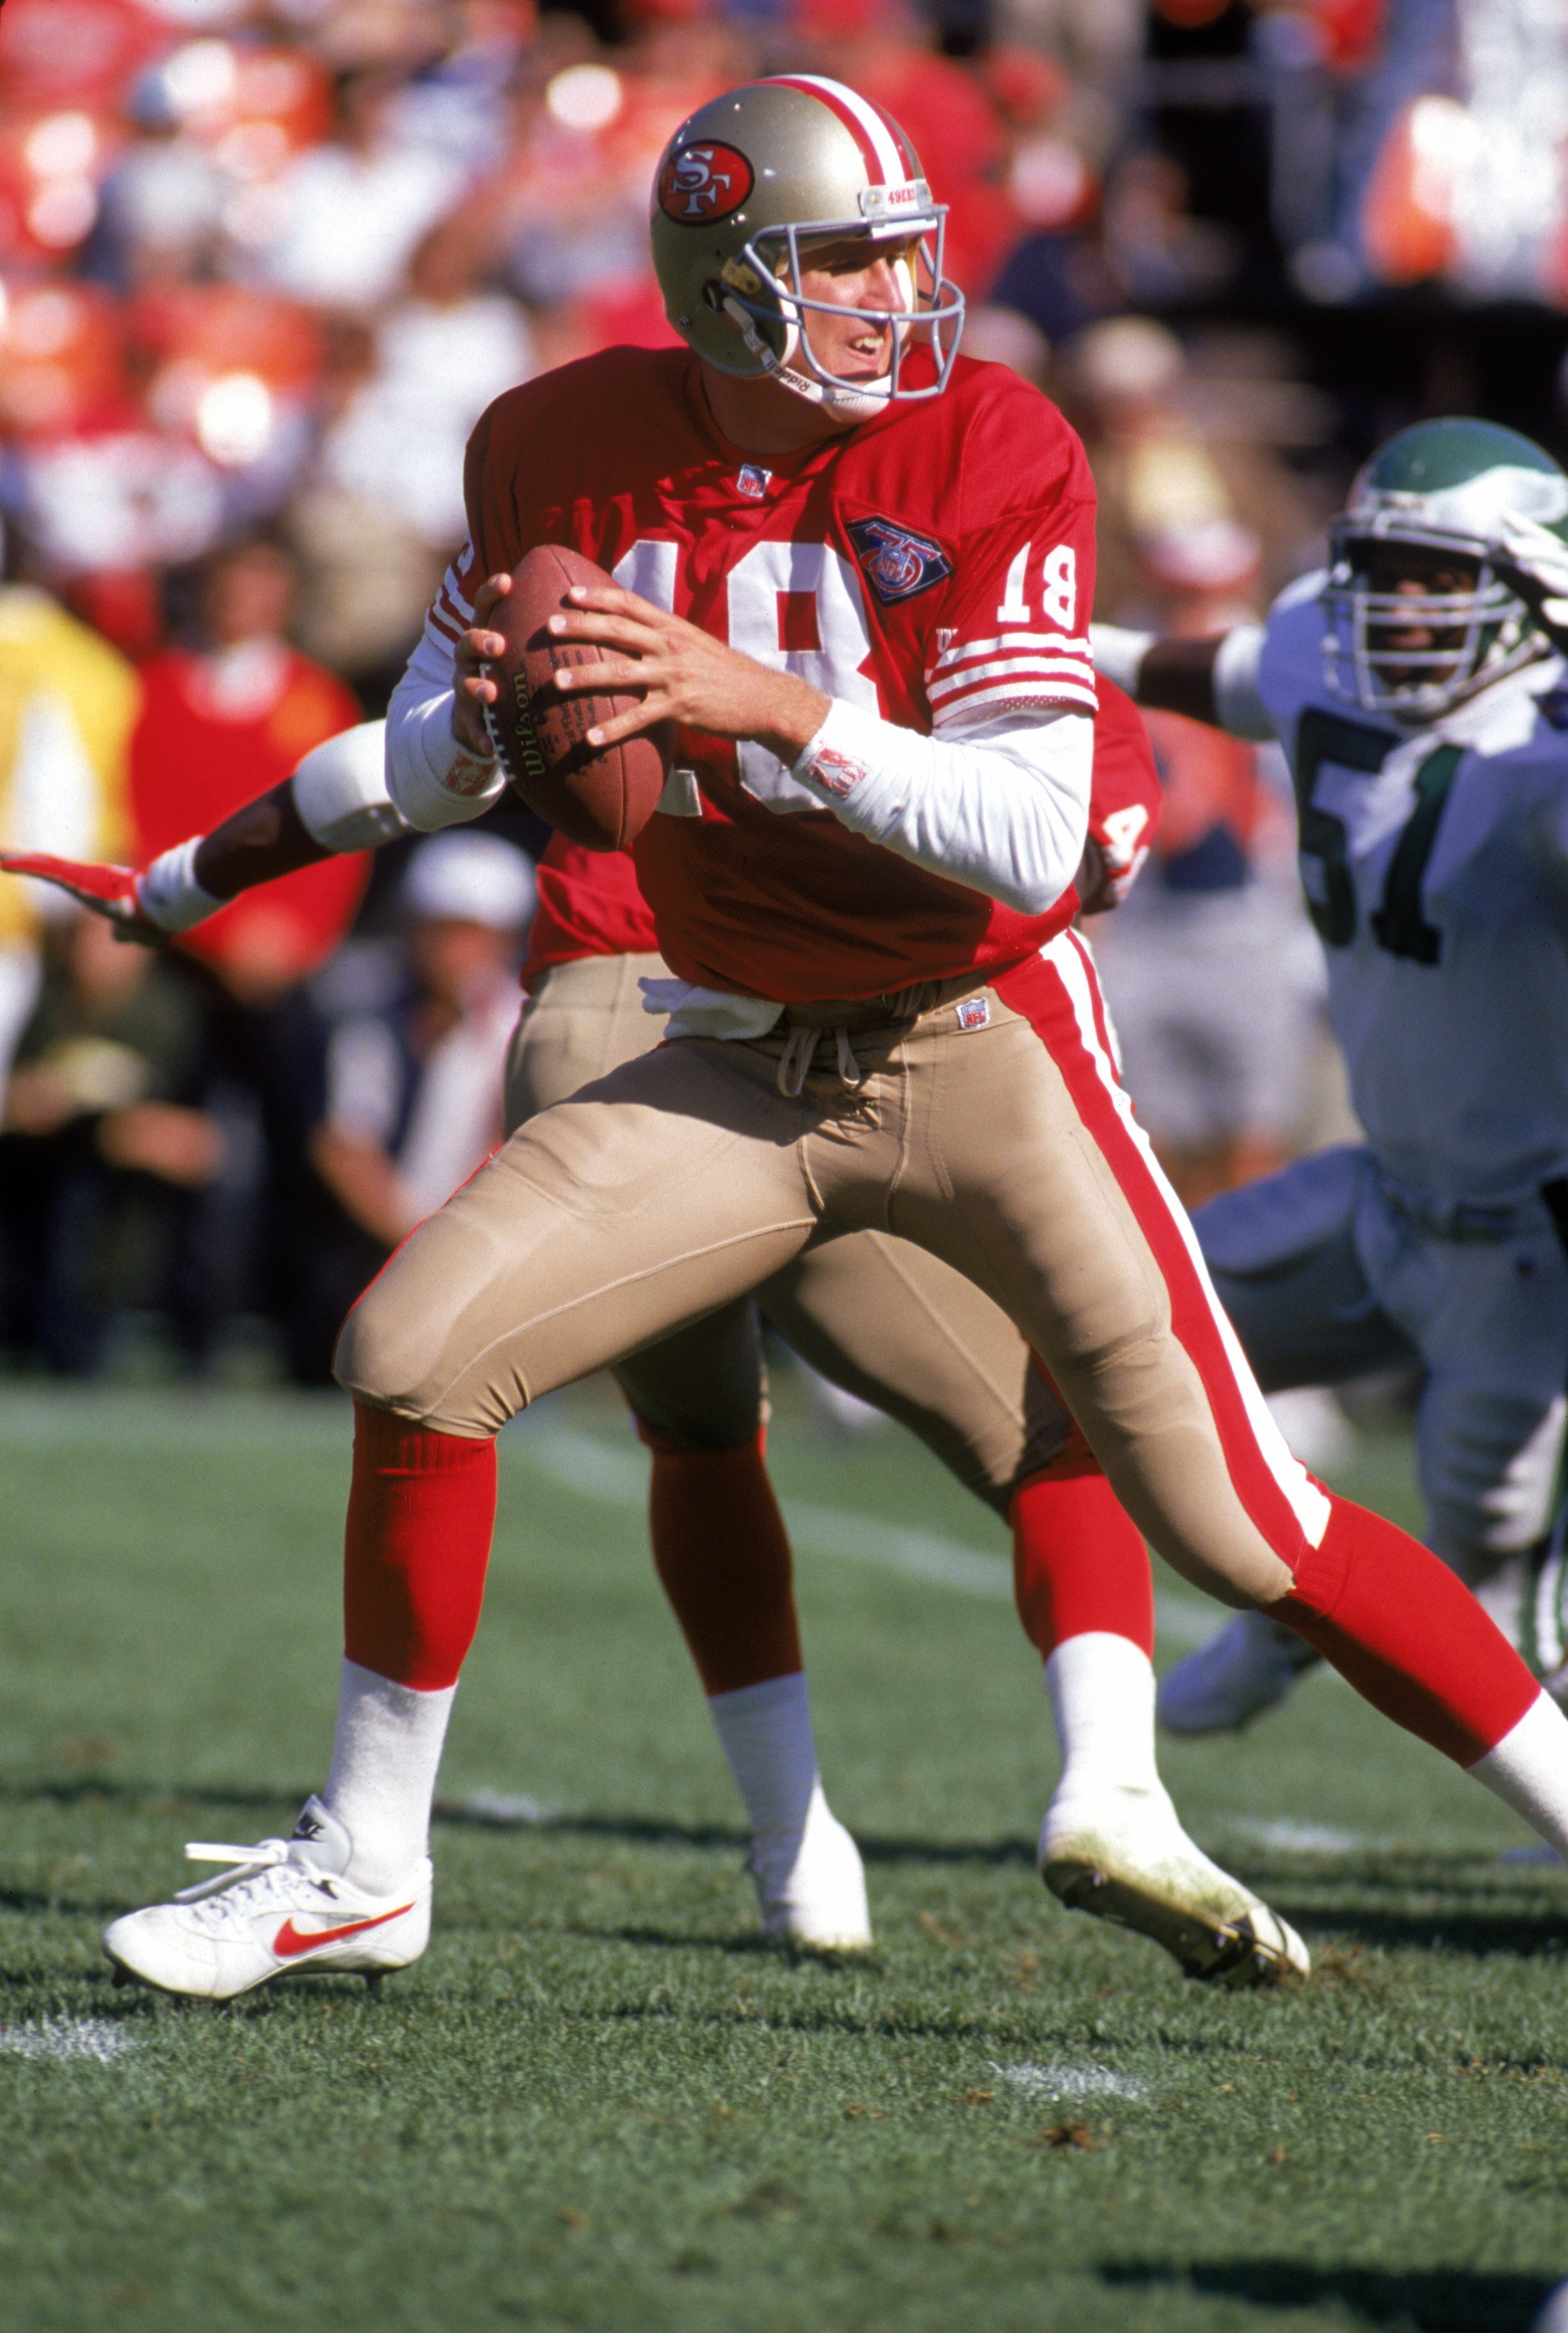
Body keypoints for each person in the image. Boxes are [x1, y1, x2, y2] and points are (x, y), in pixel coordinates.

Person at [24, 81, 1568, 2004]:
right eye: (844, 259)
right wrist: (217, 868)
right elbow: (433, 732)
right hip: (733, 1048)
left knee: (1243, 1524)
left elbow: (1022, 835)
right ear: (725, 283)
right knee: (410, 1355)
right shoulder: (556, 448)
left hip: (980, 1034)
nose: (896, 292)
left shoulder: (988, 437)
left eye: (902, 249)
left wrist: (768, 707)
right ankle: (361, 1857)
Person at [15, 689, 1307, 1983]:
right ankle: (1108, 1791)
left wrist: (179, 884)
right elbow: (1058, 825)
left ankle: (792, 1848)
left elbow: (399, 762)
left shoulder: (604, 522)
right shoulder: (886, 527)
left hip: (610, 1010)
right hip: (835, 1022)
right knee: (1048, 1446)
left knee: (699, 1441)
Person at [1090, 417, 1568, 1731]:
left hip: (1527, 1248)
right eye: (1384, 570)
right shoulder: (1324, 650)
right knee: (1116, 1324)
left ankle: (1294, 1636)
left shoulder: (1547, 764)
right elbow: (1205, 668)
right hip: (1374, 1192)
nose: (1400, 607)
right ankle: (1267, 1592)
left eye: (1439, 577)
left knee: (1480, 1547)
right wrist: (1039, 647)